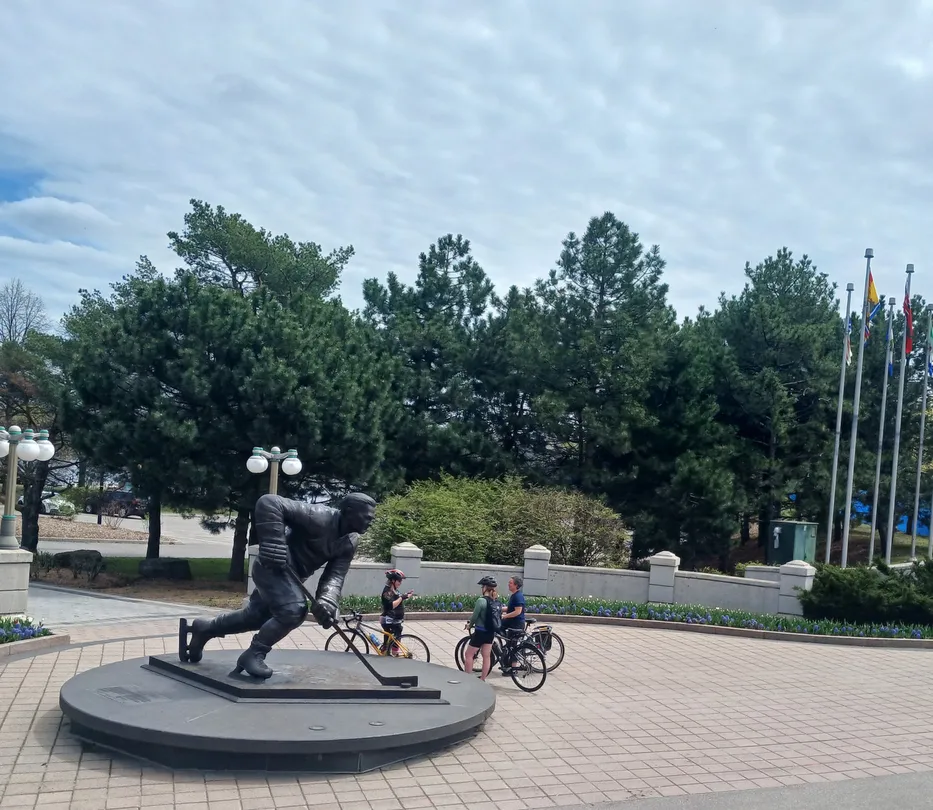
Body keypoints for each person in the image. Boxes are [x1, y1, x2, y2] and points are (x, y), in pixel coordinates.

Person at [182, 491, 377, 679]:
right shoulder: (318, 516)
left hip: (292, 578)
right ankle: (254, 654)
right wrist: (273, 541)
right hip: (272, 567)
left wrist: (327, 602)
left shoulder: (350, 542)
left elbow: (334, 576)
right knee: (293, 611)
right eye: (367, 517)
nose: (370, 521)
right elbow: (270, 502)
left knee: (255, 617)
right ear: (349, 511)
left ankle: (205, 628)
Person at [463, 576, 499, 681]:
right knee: (486, 656)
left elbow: (475, 616)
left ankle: (468, 678)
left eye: (482, 587)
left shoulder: (481, 601)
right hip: (490, 632)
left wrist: (469, 625)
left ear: (485, 588)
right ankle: (483, 679)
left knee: (469, 654)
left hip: (480, 632)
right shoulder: (495, 600)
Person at [380, 568, 414, 654]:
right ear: (393, 580)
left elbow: (398, 599)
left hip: (394, 619)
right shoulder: (388, 591)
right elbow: (390, 605)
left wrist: (406, 596)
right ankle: (392, 654)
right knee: (394, 638)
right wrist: (402, 598)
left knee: (392, 639)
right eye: (399, 580)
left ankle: (387, 650)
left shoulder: (394, 590)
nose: (400, 583)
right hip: (389, 619)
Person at [498, 575, 526, 674]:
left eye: (510, 583)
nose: (508, 584)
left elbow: (518, 611)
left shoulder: (518, 596)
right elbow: (510, 608)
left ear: (516, 585)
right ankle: (506, 659)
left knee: (513, 646)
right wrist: (498, 609)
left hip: (516, 624)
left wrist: (504, 616)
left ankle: (513, 669)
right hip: (511, 623)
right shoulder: (514, 595)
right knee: (508, 643)